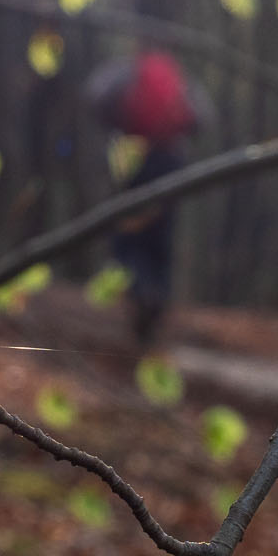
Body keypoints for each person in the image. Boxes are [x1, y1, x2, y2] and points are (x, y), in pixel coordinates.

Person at [84, 51, 209, 344]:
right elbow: (203, 118)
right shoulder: (180, 77)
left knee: (128, 235)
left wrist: (119, 126)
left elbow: (94, 98)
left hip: (132, 160)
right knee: (160, 237)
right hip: (171, 162)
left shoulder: (123, 71)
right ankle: (156, 301)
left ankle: (141, 293)